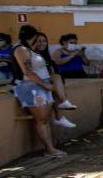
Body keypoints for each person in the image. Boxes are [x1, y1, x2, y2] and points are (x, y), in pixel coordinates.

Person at [11, 25, 65, 157]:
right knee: (42, 119)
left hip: (38, 85)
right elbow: (27, 72)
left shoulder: (29, 49)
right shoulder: (21, 49)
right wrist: (45, 85)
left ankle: (50, 147)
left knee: (45, 119)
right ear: (34, 37)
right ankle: (49, 149)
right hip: (30, 87)